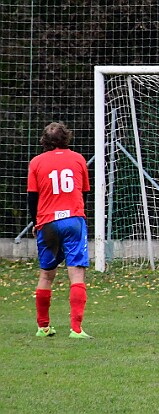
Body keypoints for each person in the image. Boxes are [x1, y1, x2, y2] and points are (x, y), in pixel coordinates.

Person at [27, 122, 92, 339]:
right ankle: (76, 329)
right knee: (76, 272)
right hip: (73, 219)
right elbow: (84, 192)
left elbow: (32, 198)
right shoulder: (78, 159)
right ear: (66, 138)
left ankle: (43, 327)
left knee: (46, 274)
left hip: (48, 222)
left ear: (44, 141)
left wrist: (36, 223)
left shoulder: (36, 162)